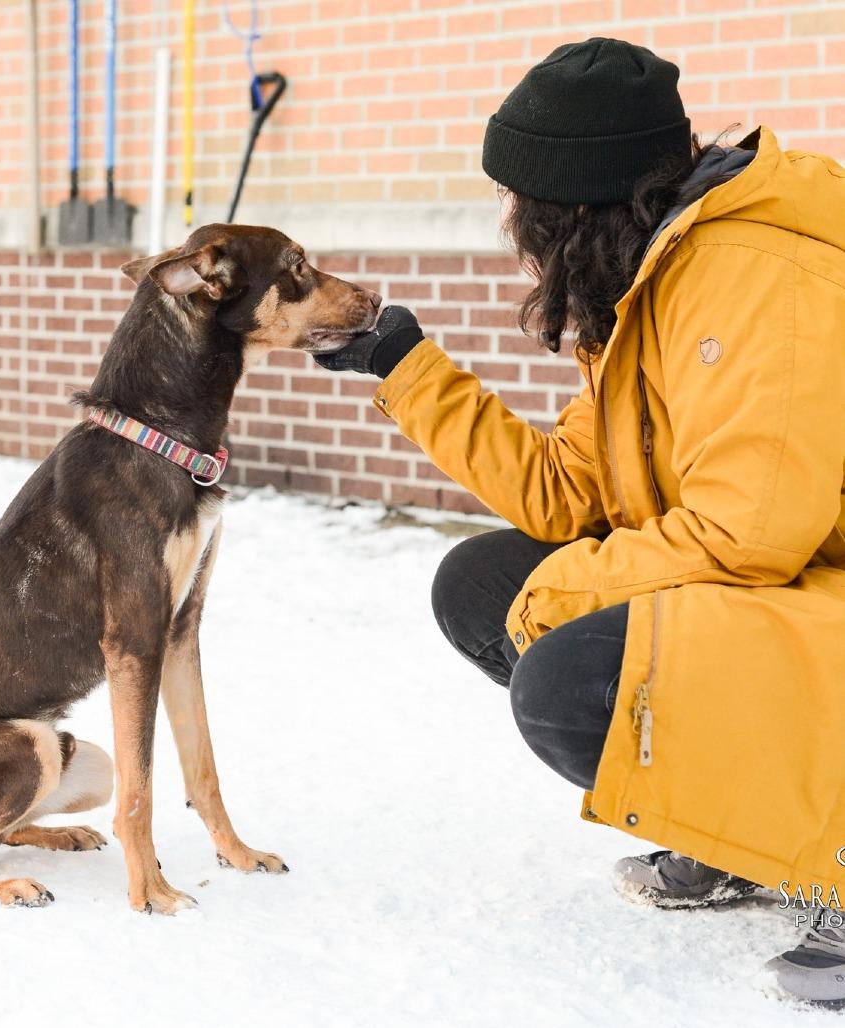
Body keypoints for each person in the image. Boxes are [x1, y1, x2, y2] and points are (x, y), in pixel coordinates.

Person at [315, 37, 845, 1008]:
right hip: (798, 589)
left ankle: (822, 834)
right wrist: (403, 363)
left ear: (578, 206)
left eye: (523, 205)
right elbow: (566, 491)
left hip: (808, 587)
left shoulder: (759, 281)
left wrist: (560, 594)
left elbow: (746, 536)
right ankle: (749, 825)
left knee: (569, 670)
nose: (512, 226)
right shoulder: (651, 281)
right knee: (481, 586)